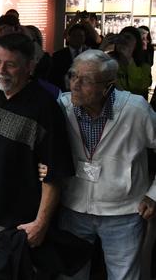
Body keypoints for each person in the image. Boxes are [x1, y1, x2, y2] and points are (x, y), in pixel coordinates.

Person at [0, 33, 74, 277]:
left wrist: (41, 223)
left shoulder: (45, 108)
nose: (1, 70)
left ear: (29, 65)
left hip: (20, 224)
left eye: (10, 64)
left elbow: (54, 173)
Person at [52, 49, 156, 280]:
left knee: (123, 276)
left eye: (86, 80)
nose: (75, 85)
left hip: (123, 212)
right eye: (73, 75)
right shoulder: (63, 106)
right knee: (71, 273)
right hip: (74, 208)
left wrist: (154, 193)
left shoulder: (135, 110)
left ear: (108, 87)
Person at [50, 23, 89, 91]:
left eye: (80, 36)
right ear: (69, 37)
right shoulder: (58, 56)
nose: (77, 38)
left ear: (84, 38)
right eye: (74, 36)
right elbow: (53, 78)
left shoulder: (88, 54)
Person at [115, 27, 152, 98]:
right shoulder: (109, 61)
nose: (123, 41)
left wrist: (128, 59)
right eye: (120, 38)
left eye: (128, 38)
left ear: (137, 43)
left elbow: (139, 87)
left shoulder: (144, 66)